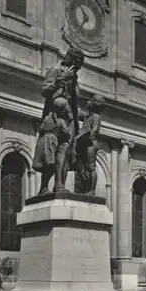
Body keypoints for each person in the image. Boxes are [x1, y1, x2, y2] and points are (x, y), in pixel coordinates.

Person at [41, 47, 85, 189]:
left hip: (70, 119)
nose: (79, 67)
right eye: (77, 63)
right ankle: (44, 187)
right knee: (51, 153)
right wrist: (61, 79)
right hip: (55, 118)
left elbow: (73, 99)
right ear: (70, 60)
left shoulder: (74, 76)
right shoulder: (56, 69)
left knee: (65, 153)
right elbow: (44, 90)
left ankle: (59, 185)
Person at [33, 98, 70, 195]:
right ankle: (45, 188)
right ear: (62, 110)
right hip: (52, 144)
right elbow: (66, 133)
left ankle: (43, 188)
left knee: (47, 166)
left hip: (44, 142)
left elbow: (41, 129)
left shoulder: (46, 118)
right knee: (51, 166)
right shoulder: (61, 121)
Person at [75, 95, 106, 195]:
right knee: (79, 167)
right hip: (84, 142)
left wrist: (87, 135)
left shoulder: (96, 116)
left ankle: (91, 190)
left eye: (91, 100)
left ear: (94, 104)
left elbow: (95, 130)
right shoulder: (87, 116)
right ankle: (85, 187)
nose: (88, 101)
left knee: (90, 167)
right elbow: (77, 114)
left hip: (91, 143)